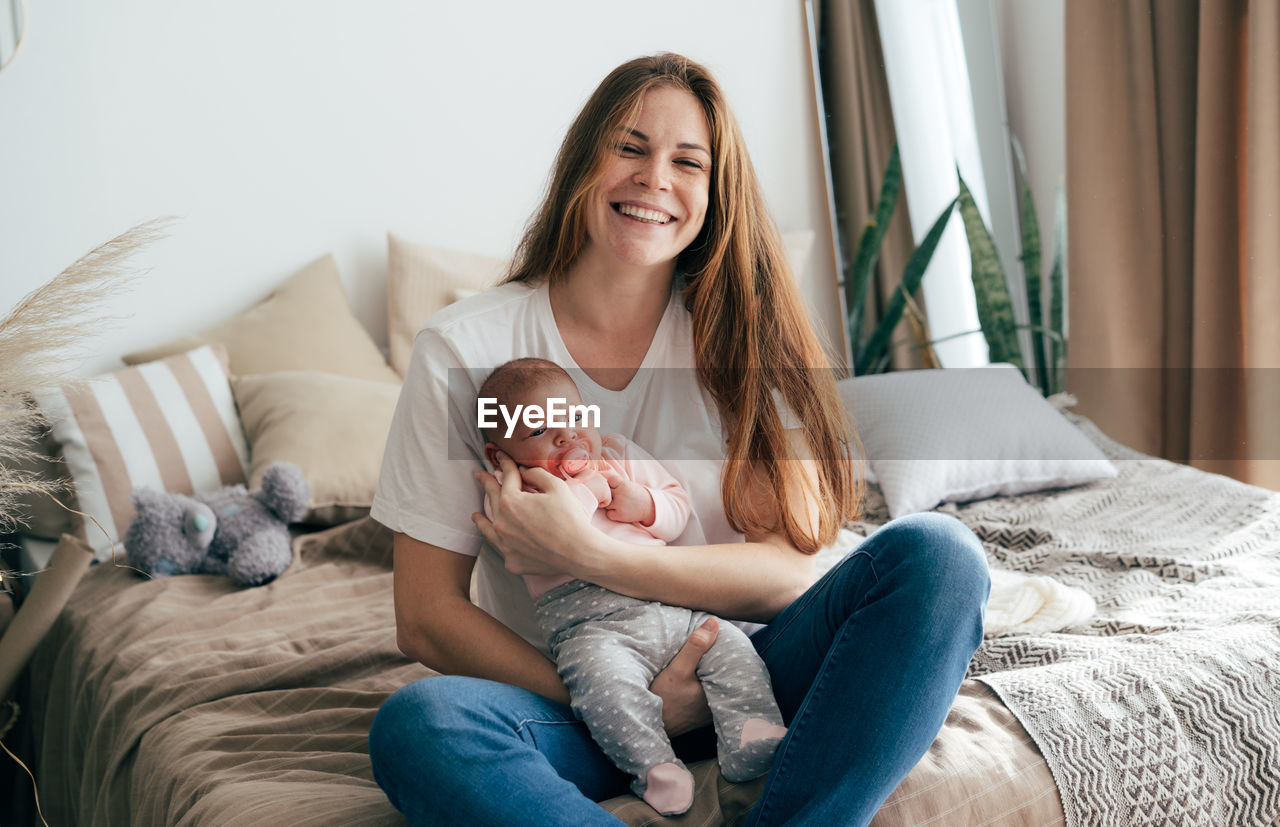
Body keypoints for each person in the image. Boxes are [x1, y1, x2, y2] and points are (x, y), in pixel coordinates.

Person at [368, 52, 990, 826]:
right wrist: (623, 701)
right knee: (422, 724)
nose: (655, 178)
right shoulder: (466, 352)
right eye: (630, 147)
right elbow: (425, 613)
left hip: (753, 674)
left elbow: (790, 572)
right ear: (582, 164)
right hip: (579, 695)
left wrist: (597, 556)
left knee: (940, 556)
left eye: (686, 162)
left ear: (714, 193)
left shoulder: (743, 341)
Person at [477, 357, 787, 815]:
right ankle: (656, 769)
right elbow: (550, 536)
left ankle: (751, 735)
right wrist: (586, 493)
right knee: (605, 690)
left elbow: (676, 510)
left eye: (575, 418)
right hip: (590, 627)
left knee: (733, 647)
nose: (566, 436)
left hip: (667, 601)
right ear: (499, 452)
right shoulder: (515, 488)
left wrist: (644, 505)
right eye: (538, 431)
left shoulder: (617, 453)